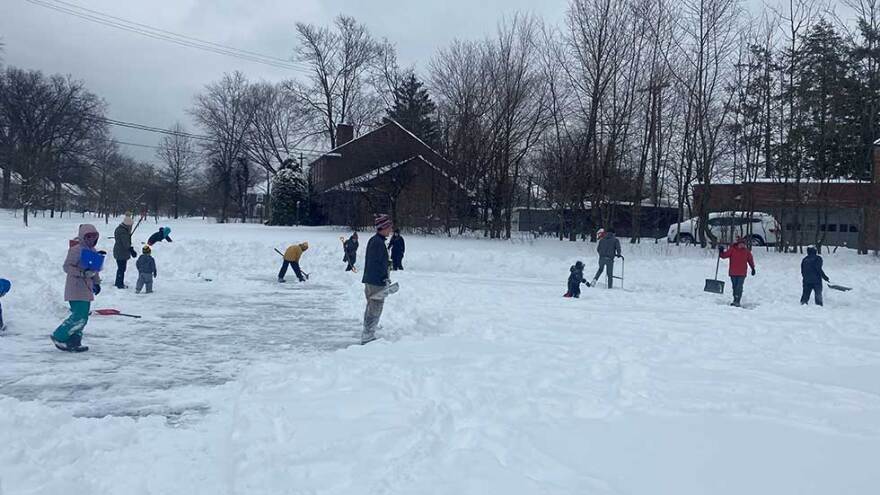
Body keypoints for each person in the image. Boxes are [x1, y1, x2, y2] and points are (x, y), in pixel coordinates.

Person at [51, 224, 102, 352]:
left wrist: (96, 282)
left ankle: (74, 341)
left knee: (83, 317)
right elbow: (67, 267)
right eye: (88, 236)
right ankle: (59, 335)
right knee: (80, 316)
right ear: (83, 237)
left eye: (94, 237)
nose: (91, 239)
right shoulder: (76, 250)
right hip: (75, 288)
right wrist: (82, 273)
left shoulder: (93, 251)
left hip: (87, 288)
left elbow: (95, 270)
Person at [361, 214, 393, 344]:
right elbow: (376, 263)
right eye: (389, 227)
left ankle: (368, 331)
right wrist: (384, 277)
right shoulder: (377, 243)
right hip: (376, 281)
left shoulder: (377, 241)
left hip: (373, 279)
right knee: (375, 306)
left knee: (372, 306)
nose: (391, 230)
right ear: (383, 227)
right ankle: (368, 335)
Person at [719, 237, 756, 307]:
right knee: (734, 287)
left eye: (743, 244)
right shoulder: (732, 250)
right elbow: (724, 256)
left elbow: (750, 260)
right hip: (733, 272)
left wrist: (753, 268)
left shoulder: (746, 252)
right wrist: (721, 251)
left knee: (739, 286)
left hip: (742, 273)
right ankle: (735, 299)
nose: (742, 245)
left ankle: (737, 300)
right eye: (741, 244)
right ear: (738, 244)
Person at [113, 215, 137, 289]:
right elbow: (125, 243)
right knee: (122, 268)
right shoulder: (123, 232)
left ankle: (118, 282)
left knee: (120, 268)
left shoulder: (120, 229)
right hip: (121, 252)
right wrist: (131, 250)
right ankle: (119, 284)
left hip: (119, 251)